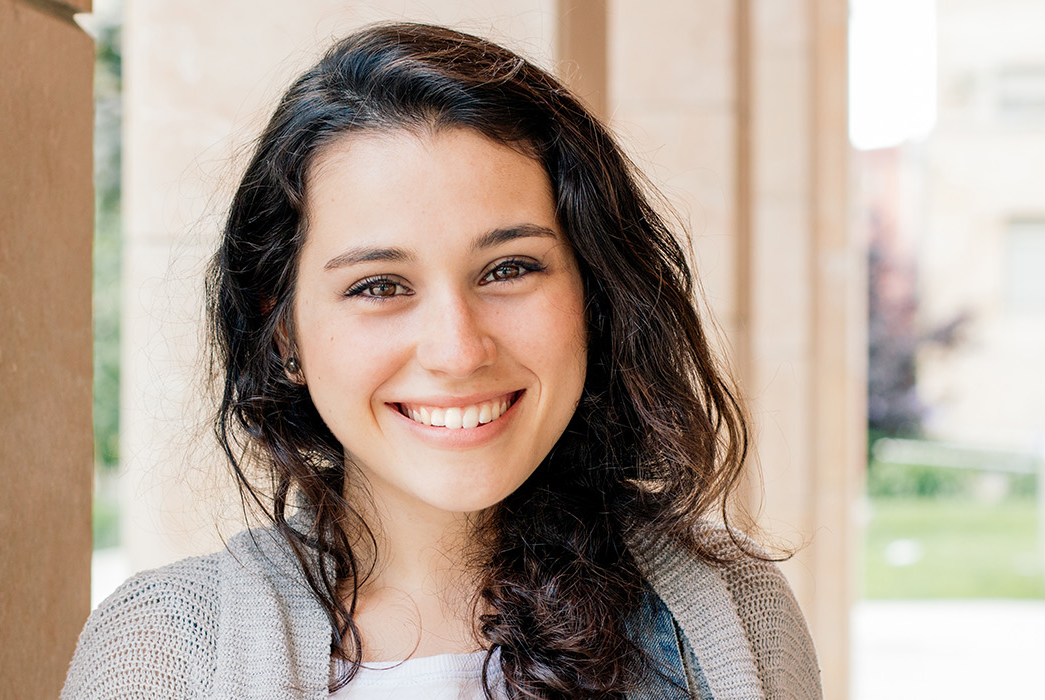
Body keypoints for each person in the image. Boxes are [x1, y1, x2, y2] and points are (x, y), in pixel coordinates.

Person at [62, 22, 820, 700]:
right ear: (283, 332)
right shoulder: (158, 655)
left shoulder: (737, 617)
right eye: (380, 286)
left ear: (591, 291)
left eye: (509, 269)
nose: (458, 350)